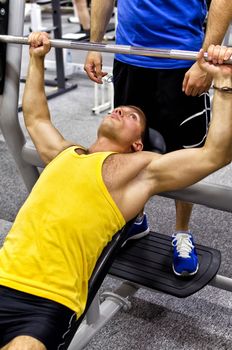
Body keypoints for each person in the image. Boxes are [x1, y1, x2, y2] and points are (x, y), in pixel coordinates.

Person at [0, 33, 232, 349]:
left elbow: (214, 154)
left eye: (132, 115)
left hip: (47, 299)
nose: (121, 110)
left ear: (137, 144)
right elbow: (37, 118)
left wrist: (223, 83)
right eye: (120, 108)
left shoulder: (139, 171)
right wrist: (38, 59)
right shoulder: (65, 152)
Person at [84, 0, 231, 277]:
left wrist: (203, 59)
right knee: (128, 148)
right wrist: (95, 44)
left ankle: (182, 233)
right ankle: (135, 220)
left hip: (180, 60)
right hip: (128, 57)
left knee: (184, 154)